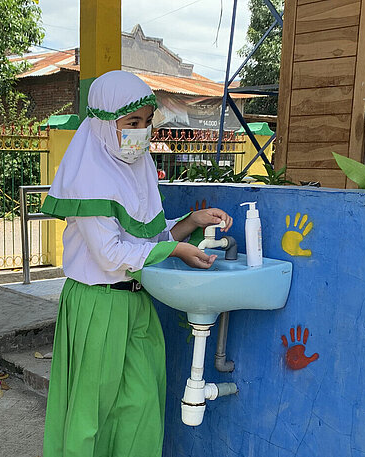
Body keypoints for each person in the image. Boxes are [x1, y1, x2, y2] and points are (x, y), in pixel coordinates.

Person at [40, 70, 232, 457]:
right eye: (132, 122)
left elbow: (150, 242)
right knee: (91, 415)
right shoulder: (89, 176)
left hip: (137, 302)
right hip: (98, 304)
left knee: (141, 404)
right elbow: (110, 255)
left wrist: (190, 224)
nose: (141, 132)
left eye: (146, 122)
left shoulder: (138, 170)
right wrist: (175, 253)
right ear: (103, 123)